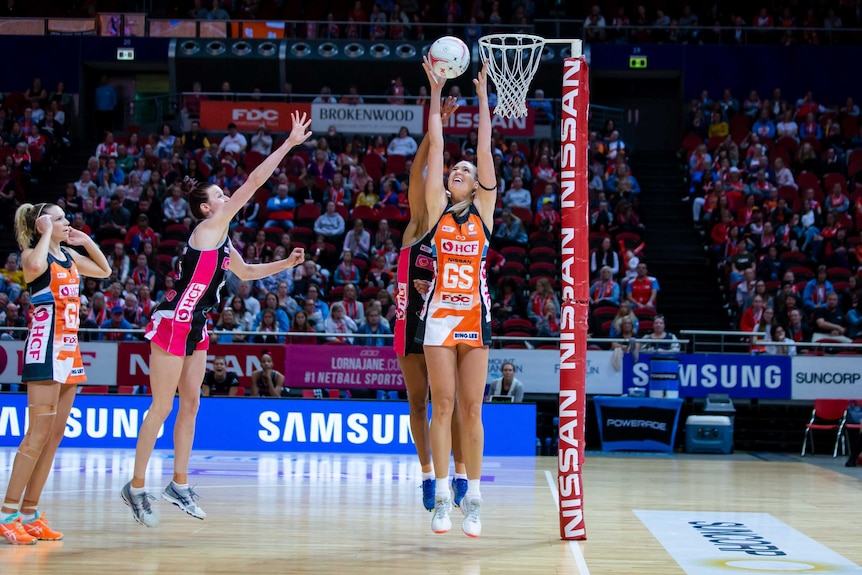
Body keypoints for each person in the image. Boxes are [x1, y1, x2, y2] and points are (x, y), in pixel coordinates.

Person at [121, 111, 311, 528]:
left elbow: (246, 273)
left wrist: (287, 262)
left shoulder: (223, 238)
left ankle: (179, 485)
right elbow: (254, 183)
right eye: (221, 196)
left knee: (191, 403)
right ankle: (136, 487)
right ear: (207, 208)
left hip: (197, 327)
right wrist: (287, 144)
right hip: (173, 322)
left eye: (226, 195)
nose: (228, 198)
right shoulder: (209, 228)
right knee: (161, 406)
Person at [416, 58, 494, 537]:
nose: (460, 170)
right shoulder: (434, 210)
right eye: (456, 169)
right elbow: (438, 145)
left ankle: (476, 498)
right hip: (439, 319)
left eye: (467, 169)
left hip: (475, 316)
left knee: (471, 410)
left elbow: (484, 149)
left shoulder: (484, 208)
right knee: (440, 408)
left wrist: (484, 97)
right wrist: (435, 92)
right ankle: (442, 495)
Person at [1, 202, 111, 545]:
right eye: (60, 218)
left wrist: (85, 240)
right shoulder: (34, 255)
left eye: (66, 218)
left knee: (54, 436)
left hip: (69, 348)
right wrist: (46, 232)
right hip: (45, 347)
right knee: (37, 435)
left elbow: (104, 271)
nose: (67, 222)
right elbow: (32, 267)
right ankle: (7, 514)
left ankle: (31, 513)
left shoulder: (66, 255)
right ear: (43, 223)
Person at [391, 96, 466, 515]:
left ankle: (455, 471)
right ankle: (424, 474)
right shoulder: (420, 222)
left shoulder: (465, 229)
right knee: (418, 403)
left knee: (449, 404)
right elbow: (420, 170)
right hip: (409, 323)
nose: (441, 182)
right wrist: (433, 127)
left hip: (447, 324)